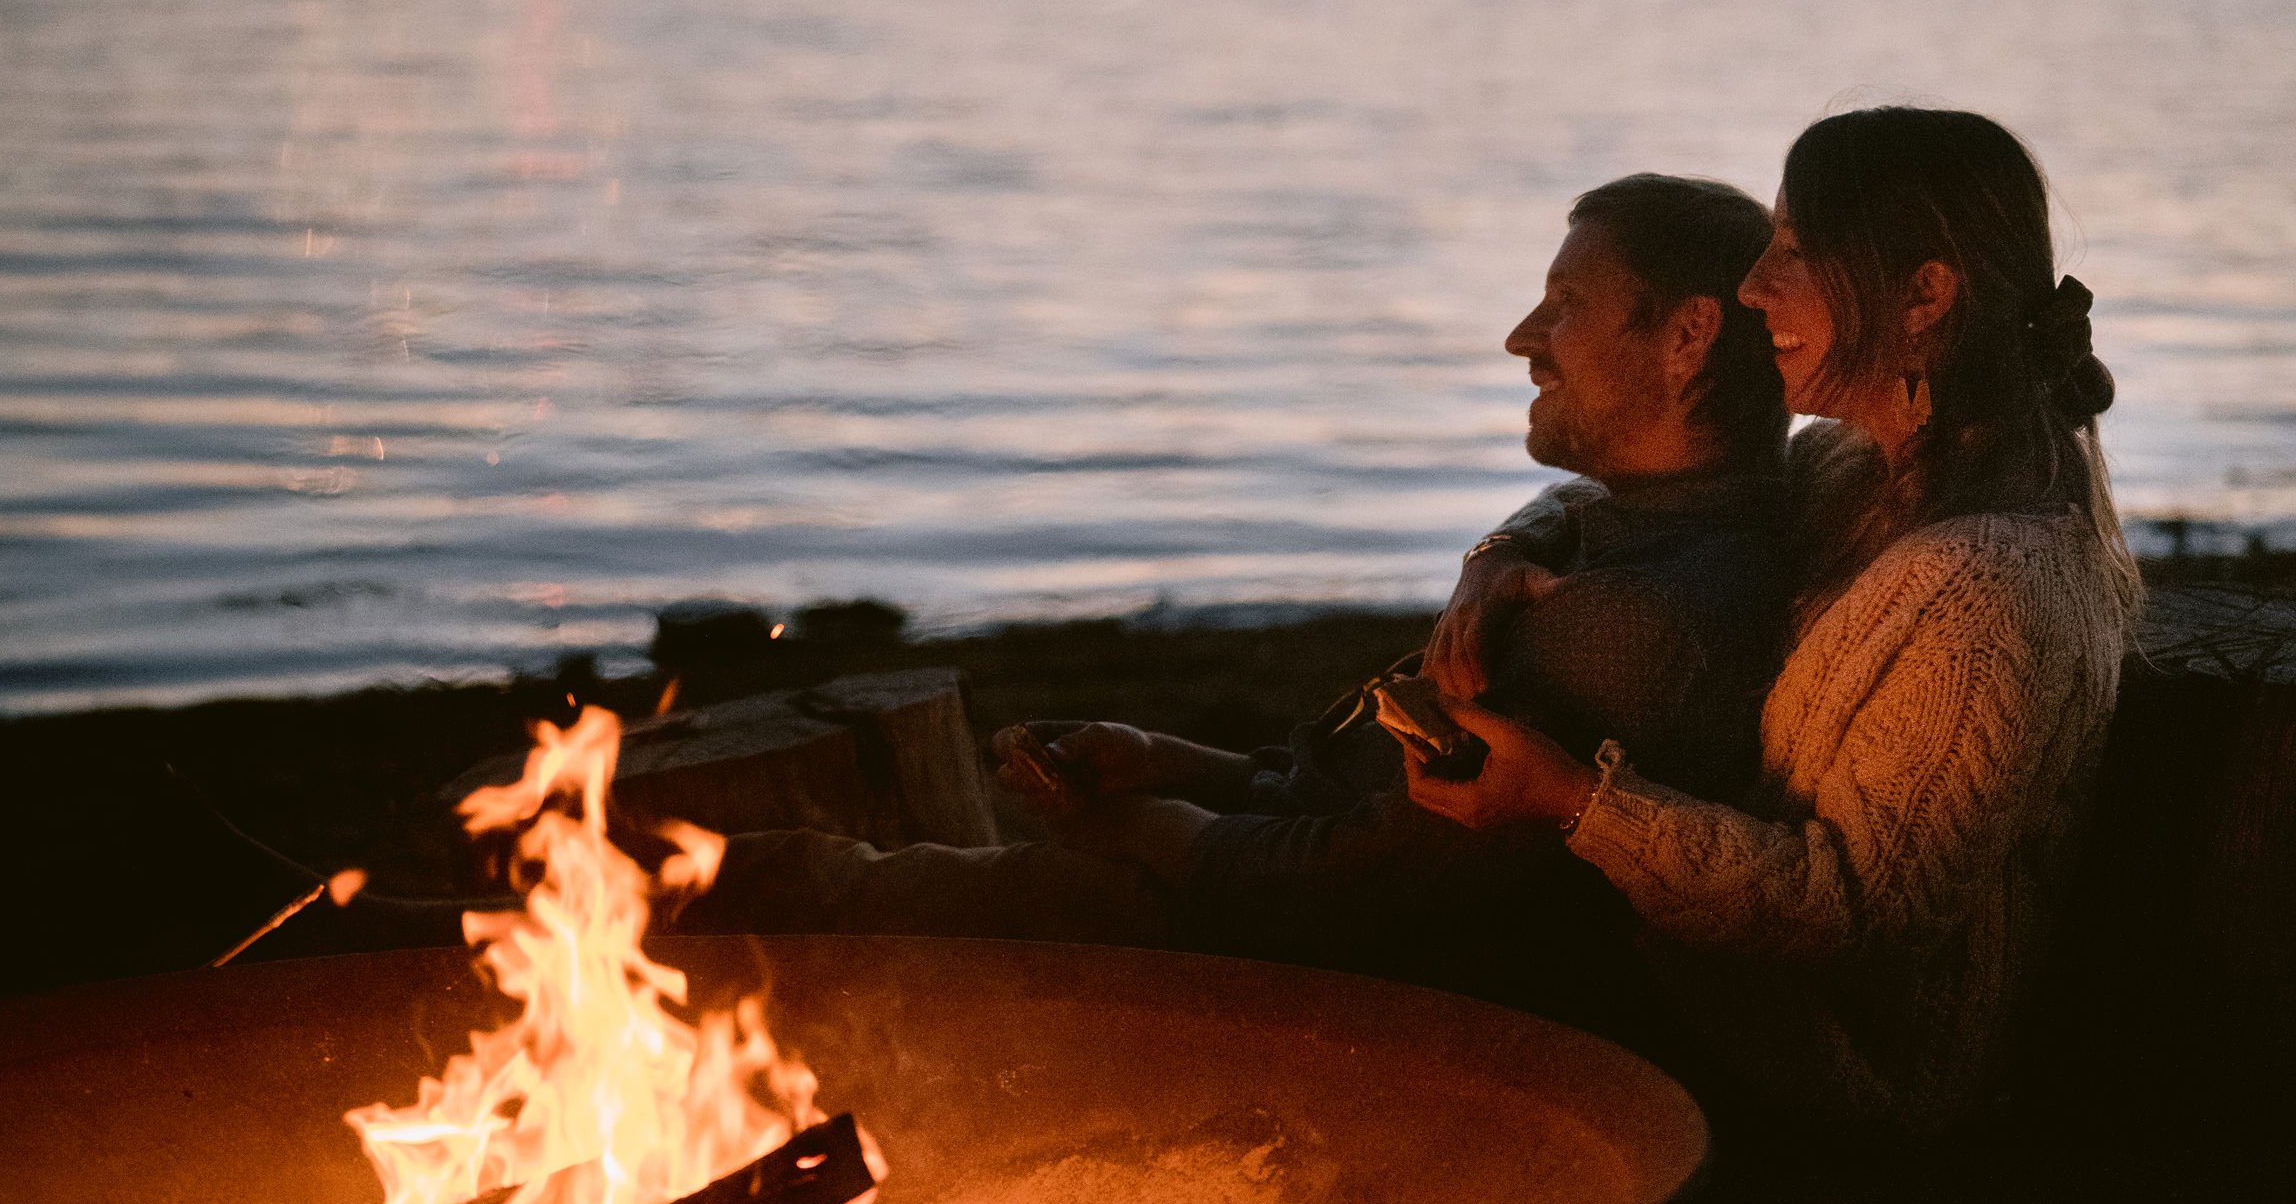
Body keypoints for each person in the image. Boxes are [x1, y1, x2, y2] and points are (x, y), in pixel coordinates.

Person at [664, 175, 1798, 979]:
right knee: (807, 882)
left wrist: (1140, 824)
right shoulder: (1623, 535)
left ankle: (515, 936)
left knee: (803, 897)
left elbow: (1347, 898)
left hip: (1307, 978)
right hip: (1261, 893)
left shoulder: (1632, 623)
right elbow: (1369, 804)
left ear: (1688, 336)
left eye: (1566, 305)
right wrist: (1179, 759)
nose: (1521, 336)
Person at [1394, 108, 2136, 1136]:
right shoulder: (1861, 467)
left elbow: (1855, 917)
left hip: (1834, 1061)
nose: (1752, 288)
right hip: (1706, 975)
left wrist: (1573, 802)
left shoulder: (1989, 585)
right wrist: (1499, 558)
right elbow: (1656, 494)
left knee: (1356, 960)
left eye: (1792, 253)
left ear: (1922, 294)